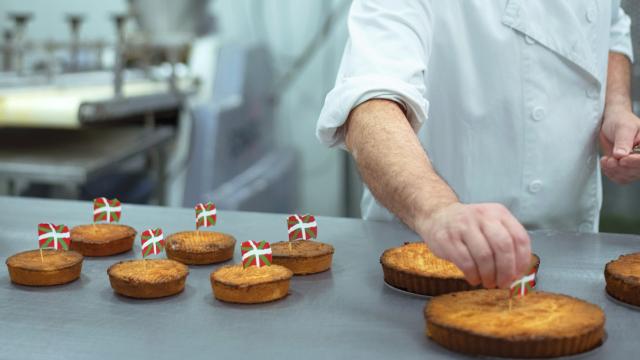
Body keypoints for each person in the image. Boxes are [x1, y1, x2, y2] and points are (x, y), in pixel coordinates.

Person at [316, 1, 639, 289]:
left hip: (574, 245)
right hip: (434, 252)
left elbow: (611, 30)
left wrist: (617, 106)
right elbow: (371, 106)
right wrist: (438, 211)